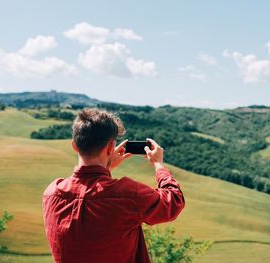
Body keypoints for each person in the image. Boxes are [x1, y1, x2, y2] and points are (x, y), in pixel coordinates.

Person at [42, 108, 185, 263]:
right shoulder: (128, 194)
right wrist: (159, 165)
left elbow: (88, 195)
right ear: (111, 148)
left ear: (74, 145)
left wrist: (106, 167)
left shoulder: (51, 193)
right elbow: (174, 202)